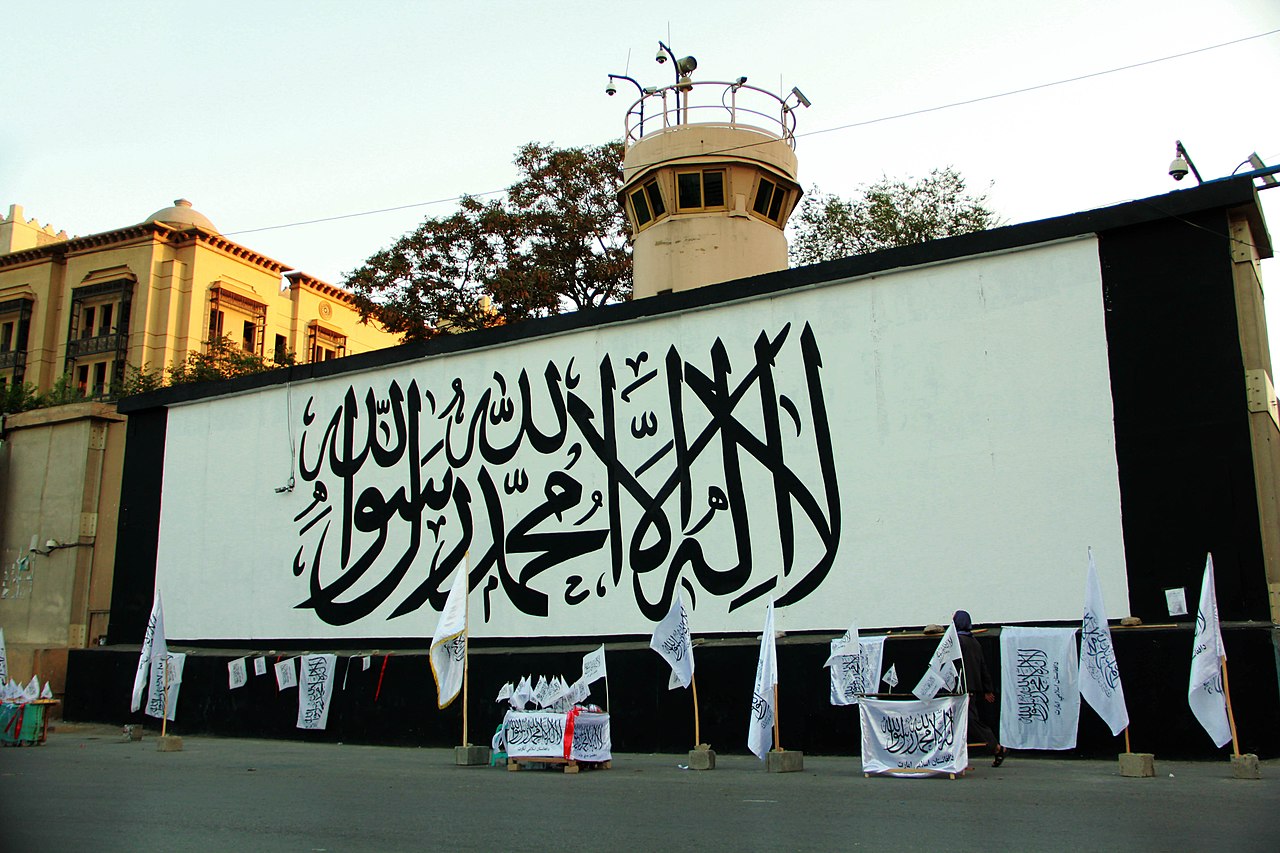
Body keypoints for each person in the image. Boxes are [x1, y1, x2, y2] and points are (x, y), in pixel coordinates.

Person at [953, 609, 1008, 767]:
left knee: (971, 722)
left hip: (963, 689)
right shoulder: (974, 642)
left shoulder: (959, 642)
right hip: (972, 689)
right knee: (963, 723)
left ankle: (997, 748)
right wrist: (987, 689)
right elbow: (983, 667)